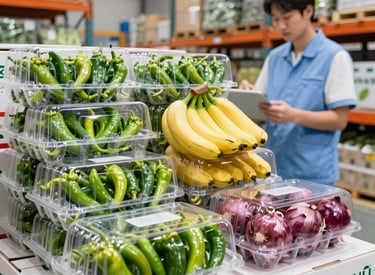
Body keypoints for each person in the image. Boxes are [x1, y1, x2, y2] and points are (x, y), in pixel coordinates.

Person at [240, 0, 357, 186]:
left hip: (312, 174)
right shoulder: (275, 57)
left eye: (287, 18)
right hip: (272, 169)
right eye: (276, 19)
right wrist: (247, 95)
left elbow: (339, 120)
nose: (281, 26)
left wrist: (293, 115)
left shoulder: (335, 57)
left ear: (308, 11)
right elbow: (259, 108)